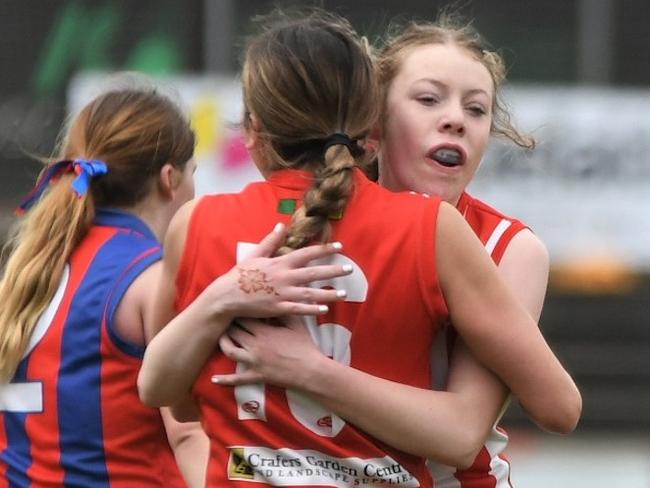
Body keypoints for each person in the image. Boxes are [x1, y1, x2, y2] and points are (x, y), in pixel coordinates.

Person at [137, 11, 580, 488]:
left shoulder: (499, 245)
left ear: (254, 130)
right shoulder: (355, 220)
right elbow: (180, 406)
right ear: (373, 123)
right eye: (428, 99)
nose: (454, 119)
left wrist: (309, 371)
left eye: (477, 109)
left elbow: (471, 433)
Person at [0, 85, 348, 487]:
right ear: (169, 179)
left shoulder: (31, 269)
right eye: (193, 174)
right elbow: (185, 432)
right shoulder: (146, 278)